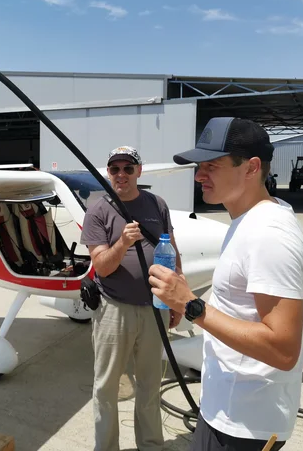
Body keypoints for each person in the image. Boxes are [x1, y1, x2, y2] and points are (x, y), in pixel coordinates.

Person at [148, 117, 303, 451]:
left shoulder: (268, 235)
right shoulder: (250, 219)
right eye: (199, 166)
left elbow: (283, 349)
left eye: (212, 166)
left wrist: (190, 305)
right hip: (230, 411)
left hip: (243, 426)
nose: (199, 176)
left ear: (252, 167)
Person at [80, 145, 184, 451]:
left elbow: (172, 250)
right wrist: (123, 242)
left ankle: (151, 445)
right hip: (114, 310)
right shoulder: (98, 211)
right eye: (115, 169)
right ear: (108, 173)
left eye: (128, 168)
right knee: (107, 387)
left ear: (139, 171)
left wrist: (177, 297)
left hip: (155, 308)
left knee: (150, 385)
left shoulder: (157, 205)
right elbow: (102, 265)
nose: (121, 174)